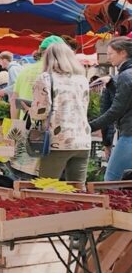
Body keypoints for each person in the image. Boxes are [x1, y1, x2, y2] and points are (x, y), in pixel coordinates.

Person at [30, 43, 91, 182]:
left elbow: (40, 111)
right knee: (78, 188)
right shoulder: (82, 79)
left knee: (47, 186)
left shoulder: (46, 78)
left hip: (57, 141)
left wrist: (30, 110)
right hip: (82, 140)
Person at [90, 37, 132, 181]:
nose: (108, 58)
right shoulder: (123, 76)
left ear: (123, 53)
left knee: (111, 179)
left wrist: (90, 126)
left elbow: (116, 110)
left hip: (129, 134)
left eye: (110, 54)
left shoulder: (125, 76)